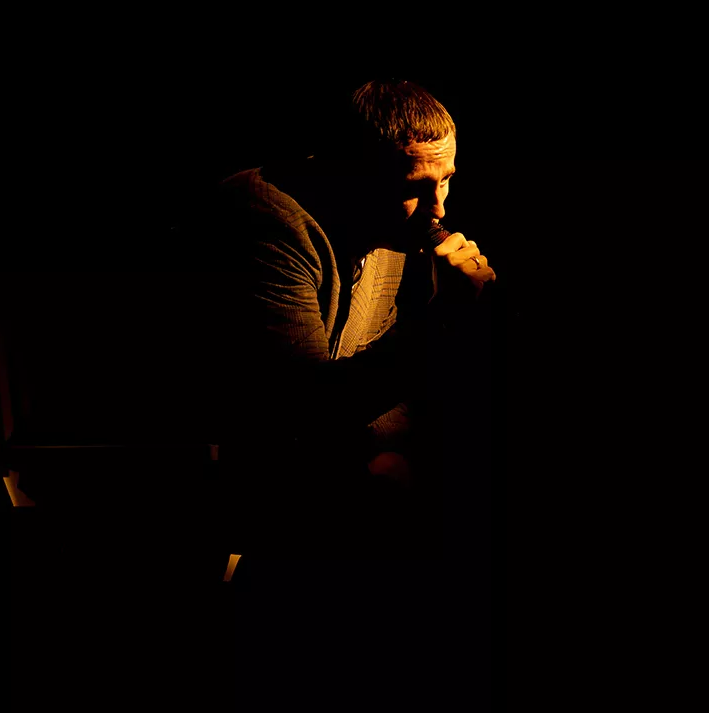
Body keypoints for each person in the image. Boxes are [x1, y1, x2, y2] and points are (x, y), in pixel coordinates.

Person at [193, 79, 498, 557]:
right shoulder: (267, 219)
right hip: (211, 502)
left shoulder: (395, 229)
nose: (439, 208)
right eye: (414, 187)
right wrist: (444, 322)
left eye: (444, 180)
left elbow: (381, 388)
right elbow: (300, 407)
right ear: (352, 174)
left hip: (311, 494)